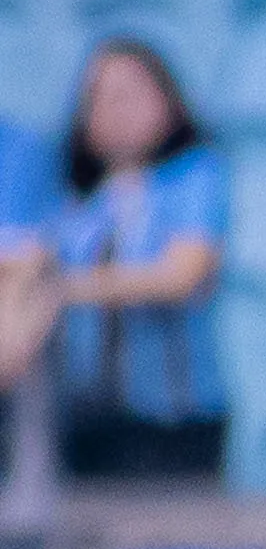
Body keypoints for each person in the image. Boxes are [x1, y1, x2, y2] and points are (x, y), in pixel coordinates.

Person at [35, 41, 230, 480]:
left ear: (167, 99)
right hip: (86, 419)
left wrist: (64, 288)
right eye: (99, 99)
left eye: (129, 95)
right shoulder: (78, 203)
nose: (114, 111)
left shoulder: (194, 177)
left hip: (174, 419)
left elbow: (183, 275)